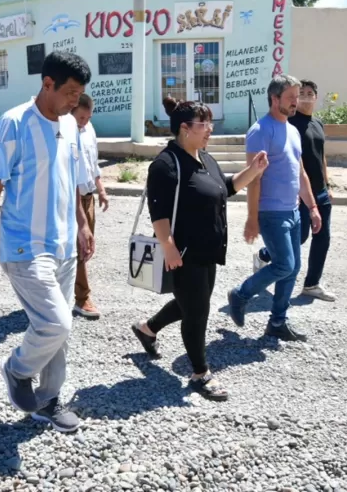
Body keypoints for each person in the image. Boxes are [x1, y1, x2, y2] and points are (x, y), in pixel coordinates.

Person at [0, 51, 94, 433]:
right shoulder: (14, 124)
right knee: (56, 323)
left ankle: (48, 400)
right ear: (47, 84)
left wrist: (82, 225)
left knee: (58, 334)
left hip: (63, 246)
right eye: (69, 92)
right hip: (25, 247)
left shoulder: (70, 127)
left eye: (79, 94)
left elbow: (71, 182)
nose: (74, 101)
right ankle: (16, 370)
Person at [131, 97, 268, 402]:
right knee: (197, 312)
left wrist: (253, 171)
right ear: (184, 128)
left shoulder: (205, 159)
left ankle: (147, 329)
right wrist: (168, 246)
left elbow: (227, 187)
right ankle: (200, 373)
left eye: (209, 123)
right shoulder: (167, 164)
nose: (209, 129)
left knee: (191, 302)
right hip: (184, 253)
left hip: (208, 250)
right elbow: (159, 211)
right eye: (203, 124)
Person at [228, 75, 322, 343]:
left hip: (293, 211)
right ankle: (241, 294)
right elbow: (253, 177)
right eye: (291, 97)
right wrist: (251, 217)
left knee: (292, 268)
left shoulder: (292, 130)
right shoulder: (260, 131)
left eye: (297, 97)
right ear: (275, 98)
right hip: (271, 212)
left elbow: (300, 172)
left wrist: (312, 207)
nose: (296, 102)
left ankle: (278, 321)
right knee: (284, 264)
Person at [254, 79, 335, 301]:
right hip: (300, 194)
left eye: (311, 93)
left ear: (316, 97)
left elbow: (321, 156)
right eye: (302, 93)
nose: (306, 97)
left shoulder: (317, 124)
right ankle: (264, 255)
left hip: (320, 192)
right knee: (298, 238)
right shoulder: (291, 124)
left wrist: (327, 185)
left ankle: (311, 284)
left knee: (323, 238)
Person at [71, 93, 108, 320]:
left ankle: (64, 290)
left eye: (87, 117)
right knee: (80, 249)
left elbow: (92, 163)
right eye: (81, 117)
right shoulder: (65, 132)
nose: (84, 121)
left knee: (86, 248)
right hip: (71, 200)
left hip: (88, 196)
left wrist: (101, 189)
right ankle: (82, 298)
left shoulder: (89, 129)